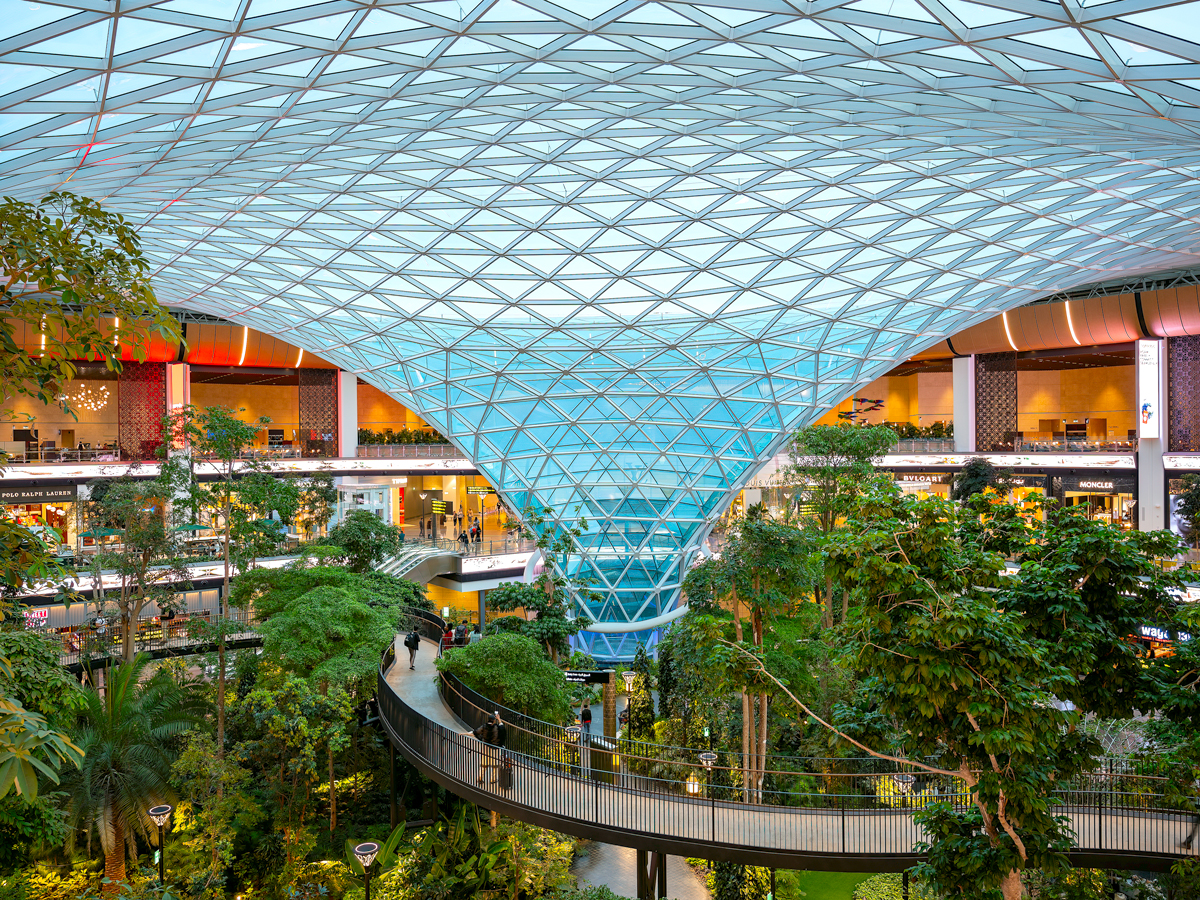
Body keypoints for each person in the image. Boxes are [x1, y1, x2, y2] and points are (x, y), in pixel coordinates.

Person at [474, 710, 507, 785]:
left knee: (484, 764)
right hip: (495, 749)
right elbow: (503, 729)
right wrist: (499, 719)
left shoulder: (484, 727)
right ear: (494, 721)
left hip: (486, 747)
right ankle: (493, 779)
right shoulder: (497, 728)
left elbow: (476, 732)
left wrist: (480, 738)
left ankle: (480, 778)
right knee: (495, 765)